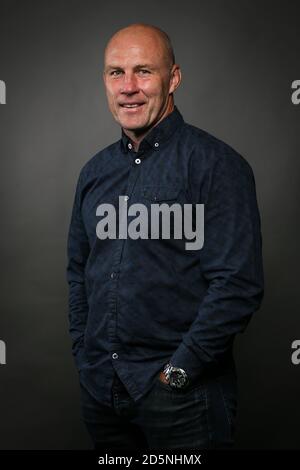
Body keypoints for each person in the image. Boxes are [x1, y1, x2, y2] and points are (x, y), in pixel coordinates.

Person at [66, 23, 264, 450]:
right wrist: (86, 359)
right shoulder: (94, 173)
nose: (128, 87)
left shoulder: (217, 166)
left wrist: (178, 374)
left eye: (144, 71)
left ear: (173, 78)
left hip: (182, 399)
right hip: (102, 394)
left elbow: (238, 285)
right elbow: (78, 271)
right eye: (116, 73)